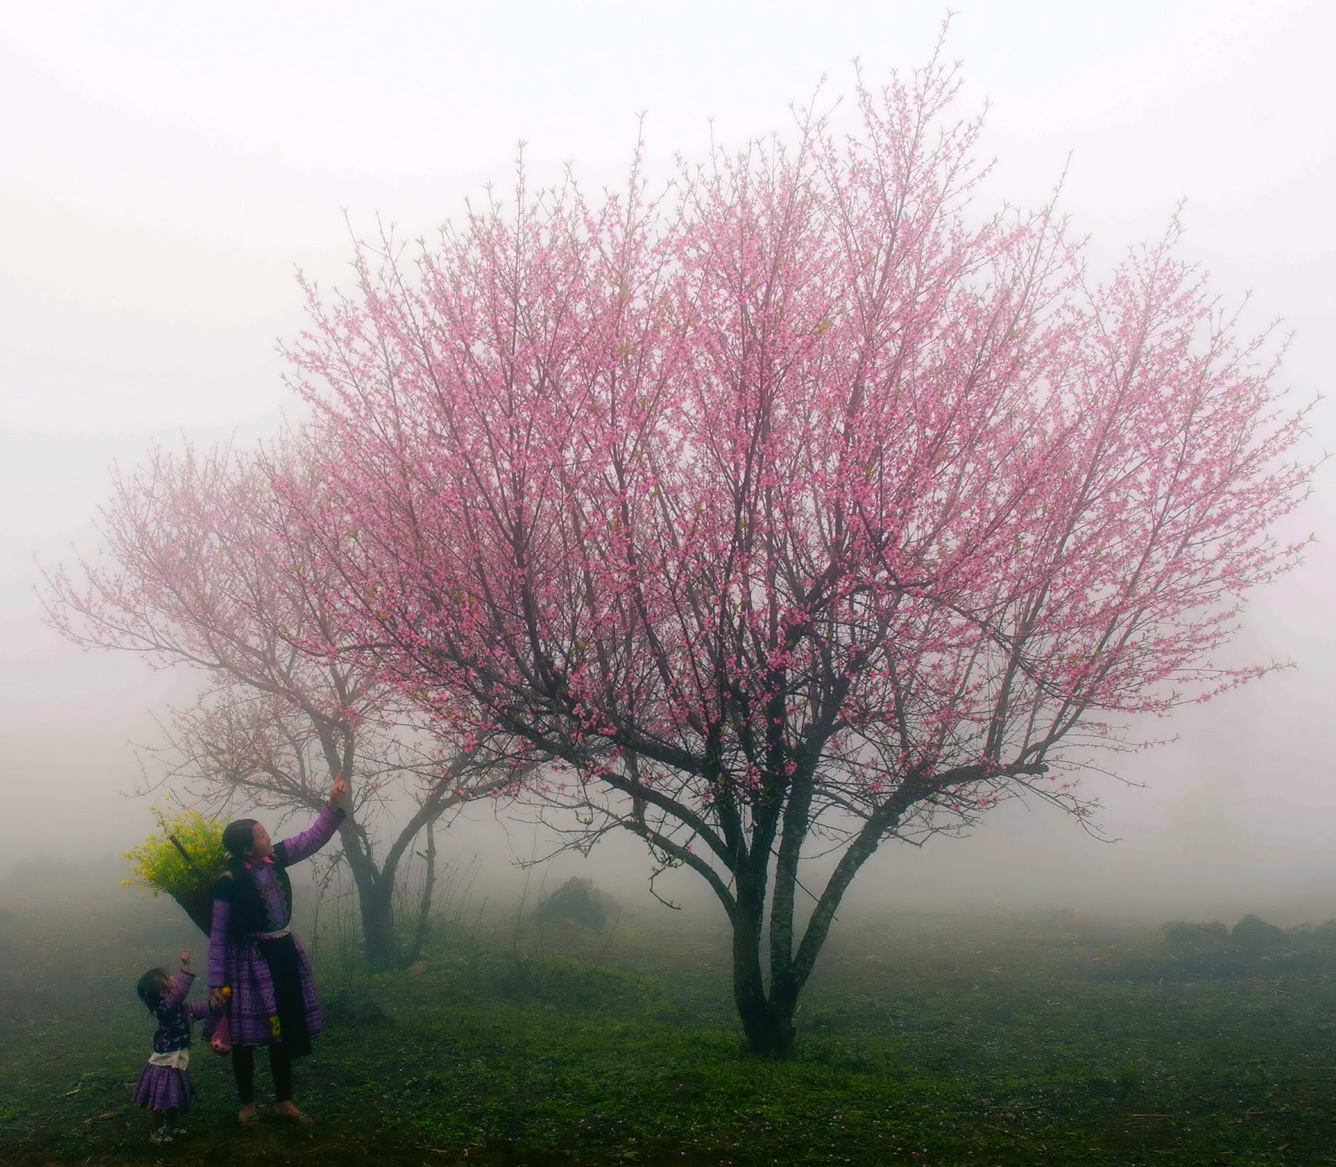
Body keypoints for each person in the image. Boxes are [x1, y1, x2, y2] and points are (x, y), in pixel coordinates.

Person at [208, 775, 348, 1127]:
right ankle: (246, 1105)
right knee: (242, 1037)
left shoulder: (275, 860)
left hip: (283, 954)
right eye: (261, 835)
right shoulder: (228, 881)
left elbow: (312, 838)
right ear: (246, 849)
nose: (269, 838)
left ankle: (284, 1101)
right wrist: (216, 985)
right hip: (248, 963)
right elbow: (218, 936)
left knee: (281, 1028)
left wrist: (332, 804)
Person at [132, 951, 211, 1145]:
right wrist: (186, 968)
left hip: (176, 1061)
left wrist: (213, 1005)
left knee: (173, 1097)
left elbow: (195, 1010)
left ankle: (171, 1126)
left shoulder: (176, 1007)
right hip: (164, 1064)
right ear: (164, 993)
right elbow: (180, 993)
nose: (173, 978)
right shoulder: (166, 1008)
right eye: (168, 979)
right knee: (160, 1101)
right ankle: (156, 1131)